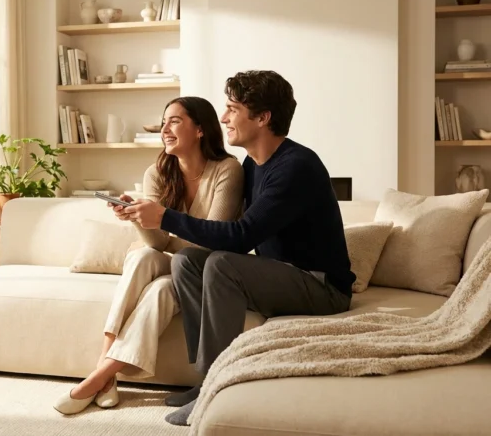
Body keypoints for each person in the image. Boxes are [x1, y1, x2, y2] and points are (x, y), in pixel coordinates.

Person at [121, 70, 355, 426]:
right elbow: (227, 233)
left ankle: (217, 388)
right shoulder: (253, 165)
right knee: (187, 260)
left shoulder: (296, 167)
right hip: (280, 277)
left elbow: (241, 236)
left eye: (232, 109)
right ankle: (205, 380)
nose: (223, 117)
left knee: (221, 264)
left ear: (262, 118)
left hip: (321, 286)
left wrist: (166, 217)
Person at [53, 96, 245, 415]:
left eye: (175, 121)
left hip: (201, 269)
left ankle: (98, 377)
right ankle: (104, 373)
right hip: (165, 259)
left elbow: (213, 240)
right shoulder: (156, 173)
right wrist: (137, 218)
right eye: (164, 122)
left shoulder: (228, 170)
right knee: (142, 257)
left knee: (160, 290)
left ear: (200, 129)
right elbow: (156, 245)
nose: (165, 129)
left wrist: (164, 222)